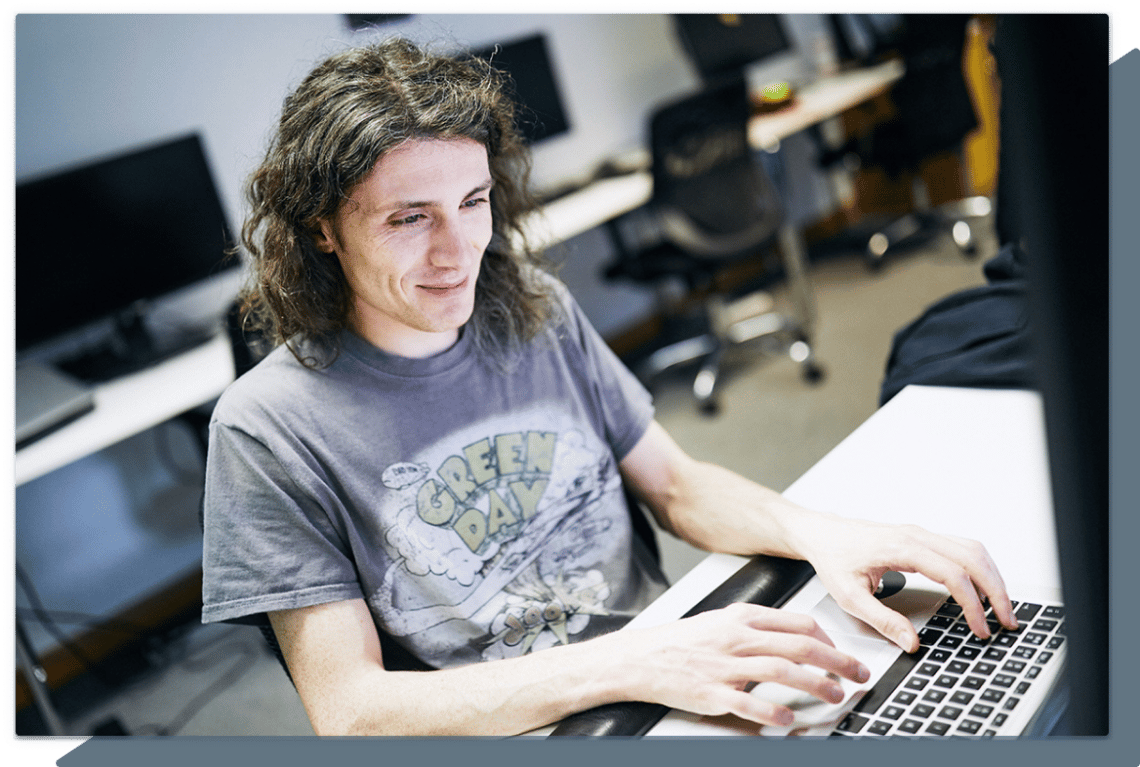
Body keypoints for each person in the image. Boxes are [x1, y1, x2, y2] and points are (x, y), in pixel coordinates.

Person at [201, 38, 1017, 737]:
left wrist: (819, 531)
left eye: (473, 201)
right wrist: (630, 661)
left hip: (668, 671)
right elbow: (350, 709)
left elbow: (677, 485)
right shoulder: (267, 425)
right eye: (409, 218)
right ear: (321, 229)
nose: (460, 251)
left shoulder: (533, 307)